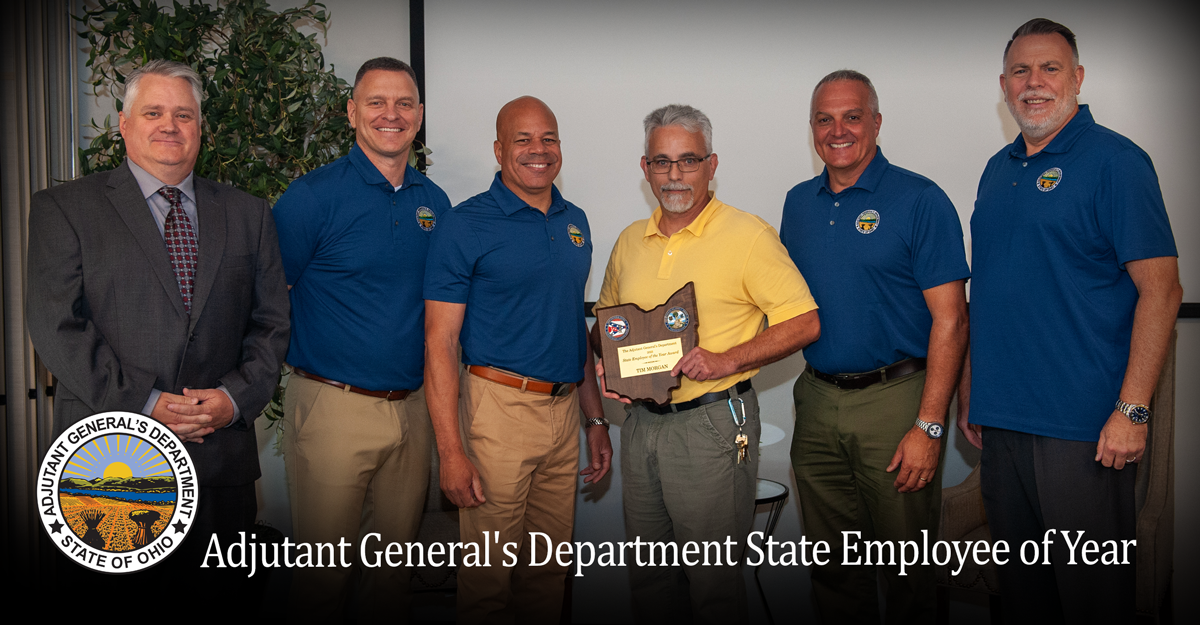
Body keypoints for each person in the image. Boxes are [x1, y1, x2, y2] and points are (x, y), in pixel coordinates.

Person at [26, 59, 289, 581]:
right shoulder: (65, 208)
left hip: (220, 460)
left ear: (200, 129)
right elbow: (57, 325)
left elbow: (272, 324)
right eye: (154, 112)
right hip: (109, 461)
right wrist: (145, 404)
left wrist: (232, 399)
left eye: (184, 115)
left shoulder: (248, 213)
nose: (170, 125)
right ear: (124, 125)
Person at [961, 18, 1182, 623]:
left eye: (1050, 68)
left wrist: (1133, 409)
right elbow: (993, 290)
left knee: (1090, 598)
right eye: (1020, 71)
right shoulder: (996, 169)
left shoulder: (1117, 162)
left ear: (1077, 78)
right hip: (1002, 421)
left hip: (1085, 430)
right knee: (1023, 596)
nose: (1034, 83)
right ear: (1003, 85)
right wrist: (971, 390)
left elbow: (1162, 291)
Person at [594, 104, 820, 624]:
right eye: (661, 161)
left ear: (712, 165)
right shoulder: (630, 240)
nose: (674, 175)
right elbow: (609, 322)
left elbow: (804, 321)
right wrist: (607, 364)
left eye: (688, 160)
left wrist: (725, 360)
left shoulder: (748, 235)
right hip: (642, 425)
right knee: (649, 579)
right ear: (645, 167)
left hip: (712, 426)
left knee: (712, 587)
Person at [778, 70, 970, 623]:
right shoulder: (798, 203)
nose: (837, 130)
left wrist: (930, 425)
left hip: (897, 401)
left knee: (909, 571)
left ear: (876, 123)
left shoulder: (920, 199)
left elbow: (952, 321)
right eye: (824, 119)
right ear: (812, 129)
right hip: (816, 402)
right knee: (833, 570)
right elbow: (779, 304)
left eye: (852, 116)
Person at [271, 57, 450, 619]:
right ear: (352, 112)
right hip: (333, 408)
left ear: (419, 116)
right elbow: (268, 299)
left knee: (390, 583)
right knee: (323, 583)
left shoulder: (436, 203)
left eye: (403, 104)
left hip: (414, 410)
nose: (390, 114)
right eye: (376, 102)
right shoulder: (311, 198)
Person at [423, 96, 613, 624]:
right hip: (496, 410)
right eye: (523, 140)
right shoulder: (465, 225)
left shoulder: (576, 223)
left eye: (548, 138)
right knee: (488, 584)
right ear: (499, 150)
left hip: (563, 415)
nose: (538, 150)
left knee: (547, 578)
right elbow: (439, 343)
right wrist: (450, 451)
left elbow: (571, 327)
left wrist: (594, 421)